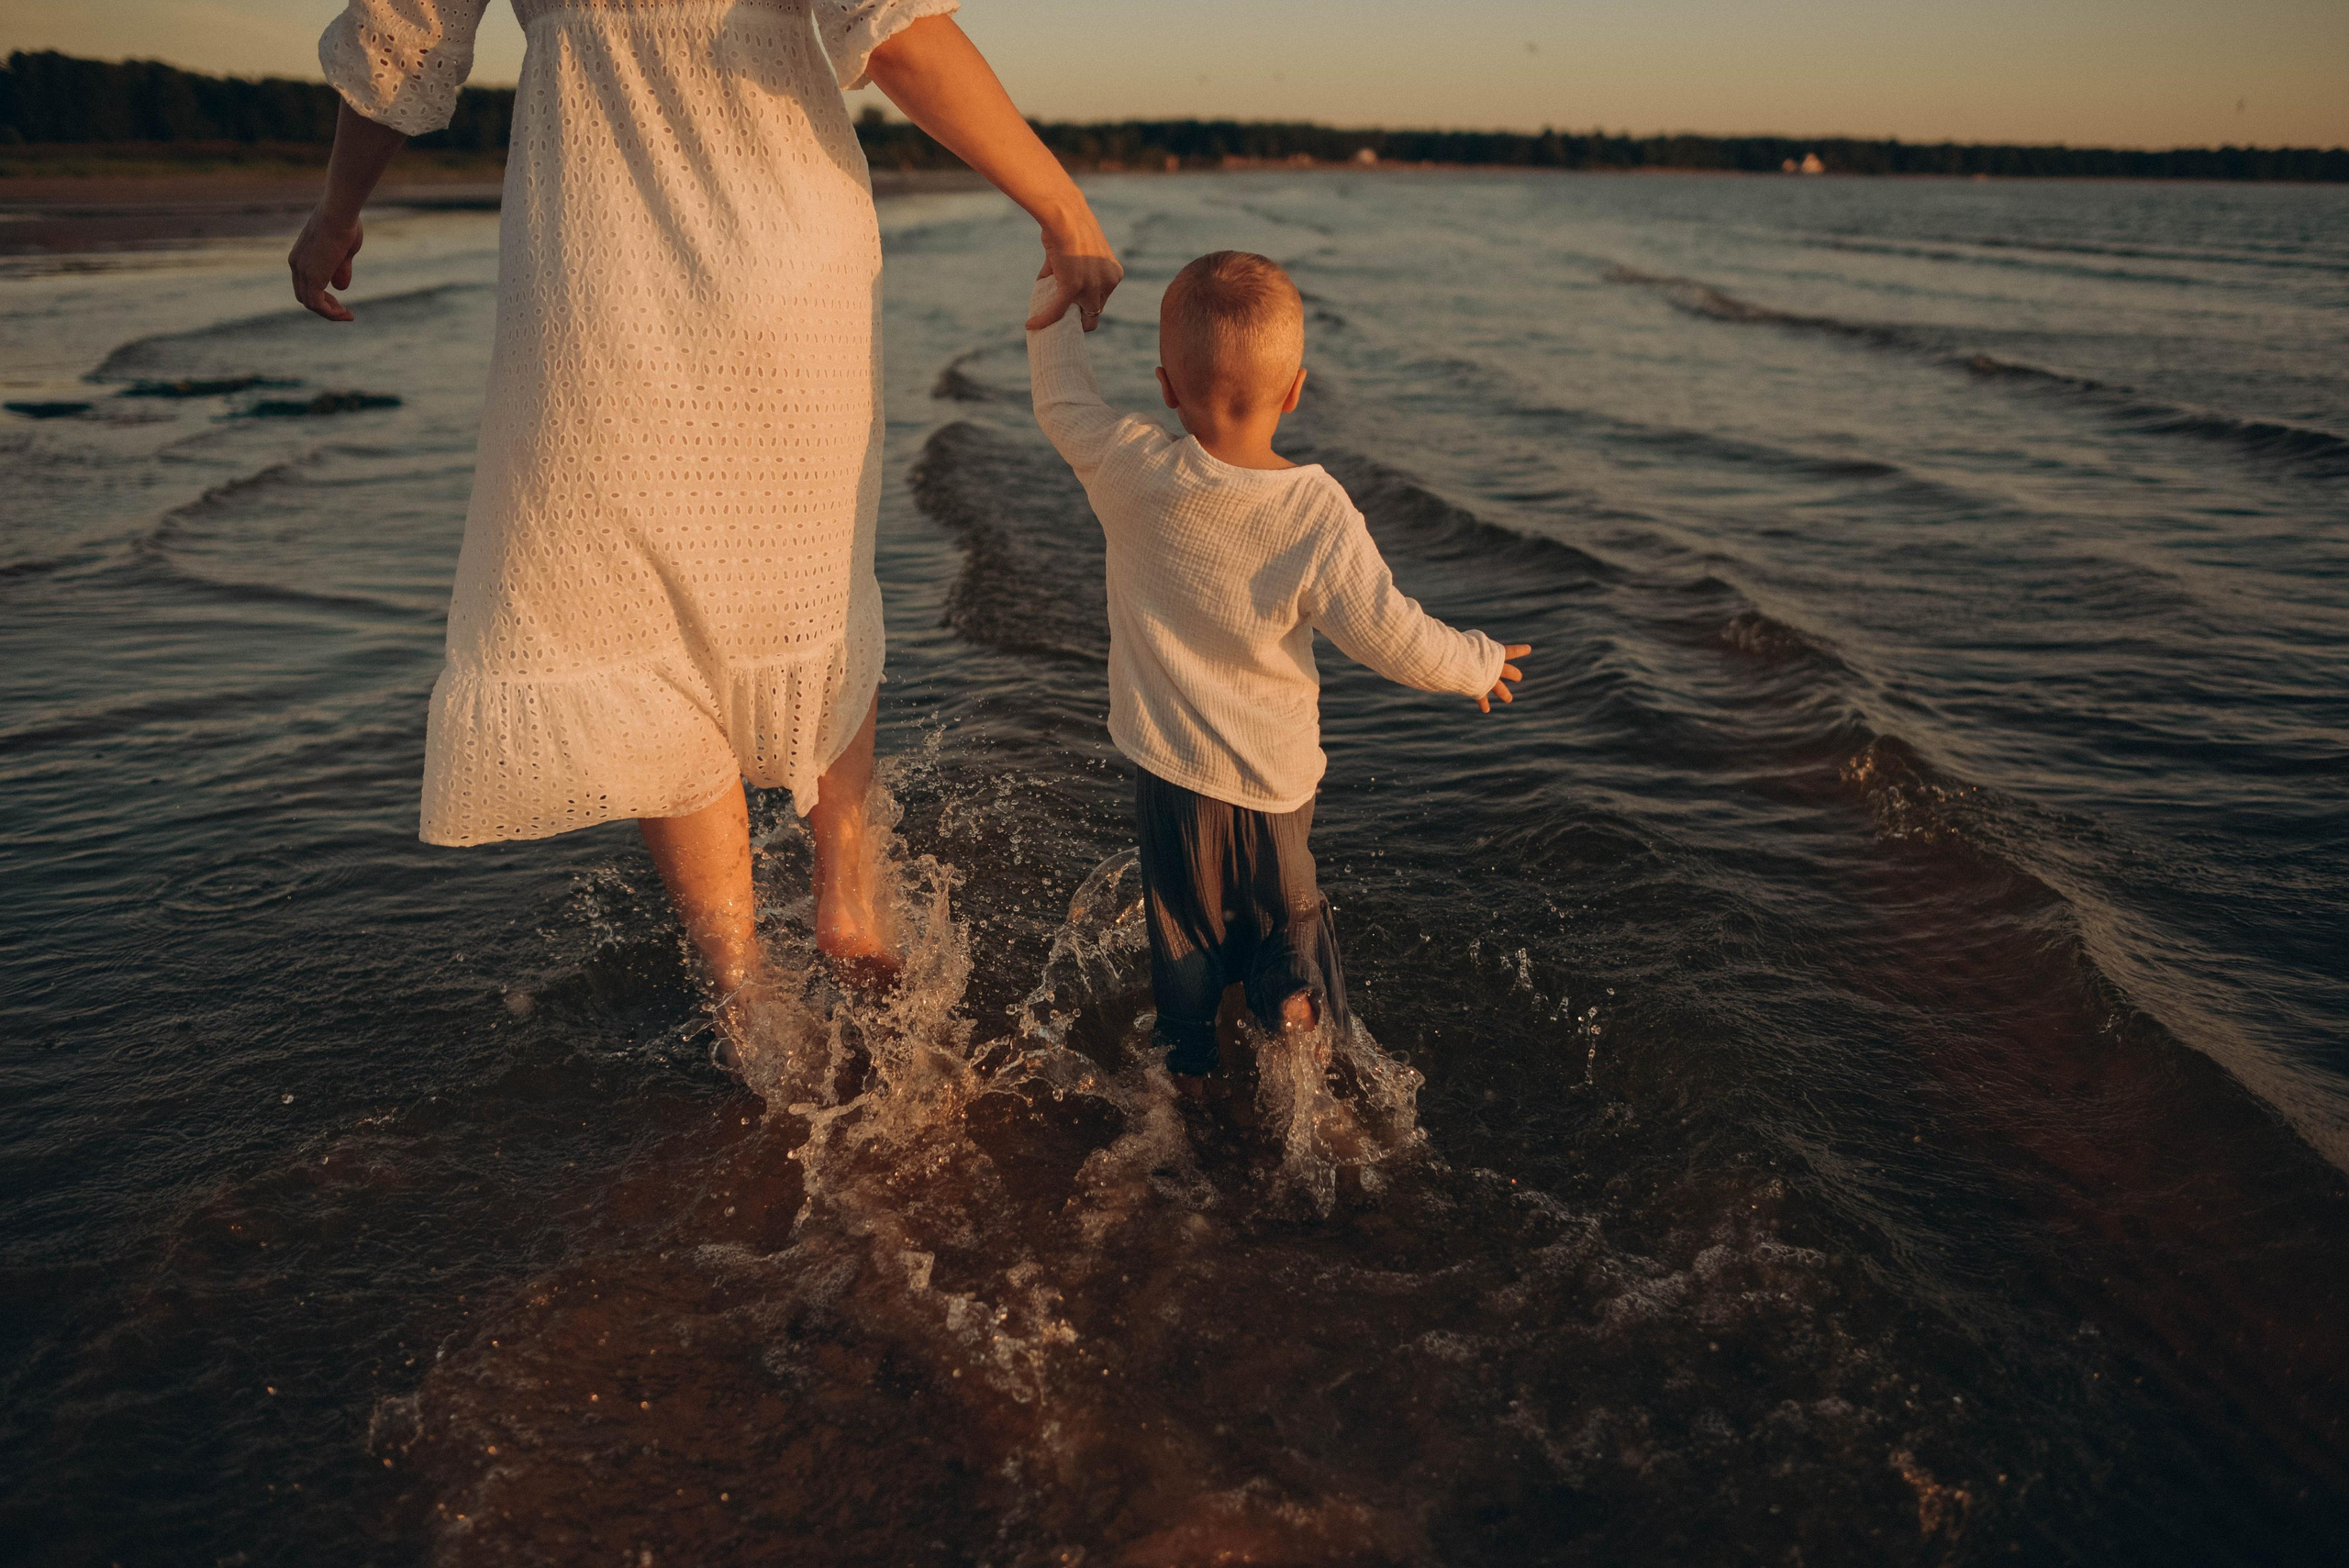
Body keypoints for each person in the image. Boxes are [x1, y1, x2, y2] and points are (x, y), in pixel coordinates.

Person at [287, 3, 1122, 1046]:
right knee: (811, 574)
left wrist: (335, 210)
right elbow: (898, 30)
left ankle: (743, 986)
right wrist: (1059, 206)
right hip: (787, 259)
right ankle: (850, 893)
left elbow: (400, 43)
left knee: (640, 610)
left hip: (593, 277)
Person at [1024, 250, 1530, 1095]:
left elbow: (1061, 402)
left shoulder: (1131, 467)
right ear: (1295, 390)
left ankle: (1186, 1072)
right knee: (1289, 921)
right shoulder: (1315, 512)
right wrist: (1474, 663)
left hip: (1173, 782)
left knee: (1181, 939)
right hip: (1273, 790)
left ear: (1164, 386)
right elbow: (1391, 634)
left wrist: (1060, 295)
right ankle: (1293, 1009)